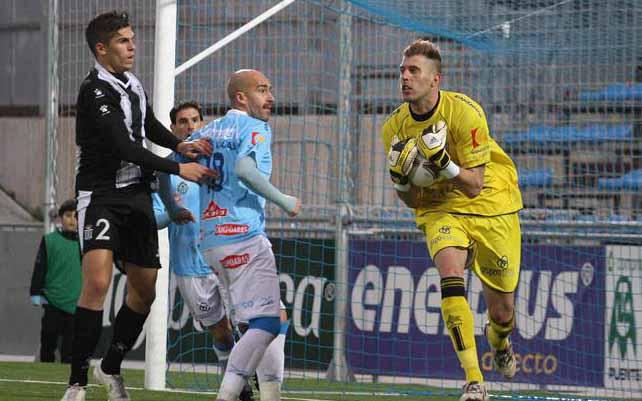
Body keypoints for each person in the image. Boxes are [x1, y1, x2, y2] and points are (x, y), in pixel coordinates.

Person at [60, 10, 215, 401]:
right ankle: (76, 384)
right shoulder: (94, 91)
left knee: (144, 291)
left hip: (137, 195)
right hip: (101, 196)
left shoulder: (133, 83)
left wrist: (178, 143)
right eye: (123, 41)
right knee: (96, 282)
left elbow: (146, 127)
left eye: (132, 39)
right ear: (101, 49)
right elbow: (125, 147)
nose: (133, 46)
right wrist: (180, 165)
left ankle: (110, 368)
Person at [382, 39, 523, 401]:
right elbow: (412, 200)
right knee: (449, 276)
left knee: (503, 311)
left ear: (435, 79)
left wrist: (443, 163)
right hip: (441, 208)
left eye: (414, 71)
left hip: (492, 204)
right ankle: (474, 382)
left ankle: (501, 341)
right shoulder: (394, 129)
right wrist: (400, 180)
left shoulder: (465, 113)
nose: (405, 77)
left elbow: (475, 185)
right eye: (403, 70)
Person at [175, 69, 300, 401]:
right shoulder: (255, 127)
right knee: (268, 323)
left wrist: (171, 208)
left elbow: (167, 166)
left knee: (270, 317)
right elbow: (245, 170)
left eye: (270, 89)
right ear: (241, 97)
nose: (270, 97)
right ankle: (231, 394)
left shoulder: (206, 132)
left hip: (211, 241)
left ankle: (269, 394)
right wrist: (283, 200)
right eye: (262, 90)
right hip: (243, 234)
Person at [30, 199, 82, 364]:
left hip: (76, 302)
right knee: (48, 343)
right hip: (52, 300)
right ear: (60, 218)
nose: (72, 220)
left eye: (76, 216)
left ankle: (68, 383)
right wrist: (35, 292)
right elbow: (40, 267)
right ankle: (45, 375)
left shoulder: (85, 245)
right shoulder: (49, 240)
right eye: (68, 215)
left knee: (70, 350)